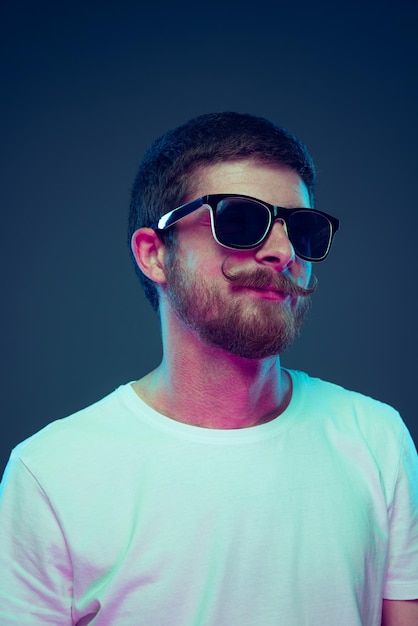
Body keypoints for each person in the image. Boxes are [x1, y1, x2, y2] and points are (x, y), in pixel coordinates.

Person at [0, 112, 417, 626]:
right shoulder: (51, 475)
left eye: (303, 230)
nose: (283, 252)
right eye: (241, 220)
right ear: (154, 255)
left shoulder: (377, 441)